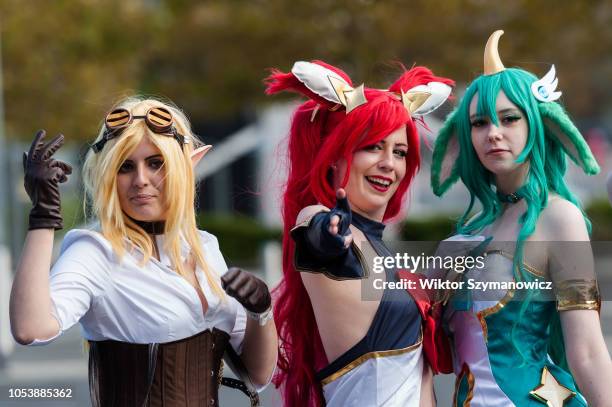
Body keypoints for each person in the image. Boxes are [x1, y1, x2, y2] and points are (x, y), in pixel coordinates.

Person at [9, 97, 278, 406]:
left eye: (155, 163)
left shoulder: (204, 247)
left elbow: (257, 375)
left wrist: (262, 313)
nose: (140, 180)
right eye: (125, 167)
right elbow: (30, 329)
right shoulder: (97, 250)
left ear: (185, 167)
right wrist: (43, 218)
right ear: (109, 176)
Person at [431, 30, 612, 406]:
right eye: (480, 123)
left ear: (536, 123)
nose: (493, 134)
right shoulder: (470, 232)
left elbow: (589, 351)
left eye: (509, 119)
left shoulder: (560, 217)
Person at [266, 60, 454, 406]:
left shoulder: (381, 249)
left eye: (399, 152)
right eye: (372, 147)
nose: (389, 163)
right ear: (335, 157)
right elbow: (316, 235)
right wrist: (330, 234)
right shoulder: (320, 221)